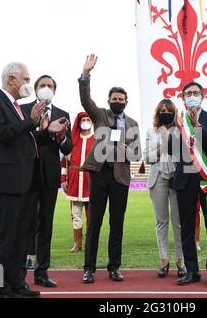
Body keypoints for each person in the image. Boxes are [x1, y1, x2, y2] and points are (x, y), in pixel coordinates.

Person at [0, 62, 69, 298]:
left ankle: (16, 283)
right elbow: (0, 134)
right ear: (11, 79)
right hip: (4, 181)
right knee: (5, 236)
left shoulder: (15, 107)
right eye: (26, 79)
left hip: (22, 181)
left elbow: (25, 140)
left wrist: (47, 132)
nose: (29, 83)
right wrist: (31, 121)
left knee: (20, 235)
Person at [79, 54, 141, 284]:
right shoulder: (101, 115)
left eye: (121, 98)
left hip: (120, 177)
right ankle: (89, 268)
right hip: (100, 173)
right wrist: (85, 75)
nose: (118, 100)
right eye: (114, 98)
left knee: (117, 223)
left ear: (126, 101)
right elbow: (86, 101)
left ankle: (114, 267)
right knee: (94, 222)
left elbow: (137, 154)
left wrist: (128, 151)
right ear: (109, 100)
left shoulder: (132, 124)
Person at [21, 75, 72, 288]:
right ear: (35, 89)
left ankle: (42, 272)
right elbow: (21, 139)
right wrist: (40, 130)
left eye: (50, 85)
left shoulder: (62, 114)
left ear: (55, 90)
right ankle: (19, 272)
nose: (46, 88)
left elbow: (68, 148)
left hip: (50, 176)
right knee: (25, 223)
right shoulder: (22, 110)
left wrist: (61, 138)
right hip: (26, 174)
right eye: (42, 85)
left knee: (46, 225)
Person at [171, 81, 207, 288]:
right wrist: (177, 130)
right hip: (185, 180)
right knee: (187, 228)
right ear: (183, 98)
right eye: (188, 93)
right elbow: (171, 149)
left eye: (195, 92)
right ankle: (191, 271)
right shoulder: (179, 120)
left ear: (203, 96)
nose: (192, 96)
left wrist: (198, 127)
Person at [144, 98, 186, 278]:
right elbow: (146, 157)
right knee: (161, 221)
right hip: (158, 177)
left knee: (178, 222)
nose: (165, 113)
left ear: (174, 112)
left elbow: (186, 153)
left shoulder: (181, 129)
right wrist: (161, 149)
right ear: (157, 113)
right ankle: (163, 260)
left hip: (176, 178)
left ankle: (181, 260)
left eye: (168, 110)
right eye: (161, 110)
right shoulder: (151, 131)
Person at [60, 112, 95, 253]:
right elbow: (64, 163)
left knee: (91, 215)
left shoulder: (96, 140)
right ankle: (77, 243)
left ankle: (90, 243)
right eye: (83, 119)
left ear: (91, 122)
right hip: (74, 180)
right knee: (75, 213)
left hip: (90, 181)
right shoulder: (72, 141)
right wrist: (63, 180)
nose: (85, 121)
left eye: (88, 119)